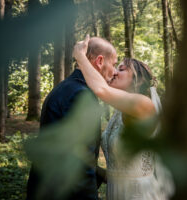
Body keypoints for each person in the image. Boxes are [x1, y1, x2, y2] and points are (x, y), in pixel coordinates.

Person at [73, 35, 174, 200]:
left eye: (120, 69)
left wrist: (80, 56)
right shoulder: (118, 112)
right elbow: (119, 168)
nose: (113, 72)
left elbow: (100, 90)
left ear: (137, 79)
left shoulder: (144, 105)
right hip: (116, 192)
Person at [26, 37, 118, 200]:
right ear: (100, 61)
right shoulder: (81, 95)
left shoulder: (67, 87)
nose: (115, 71)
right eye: (114, 64)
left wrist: (103, 174)